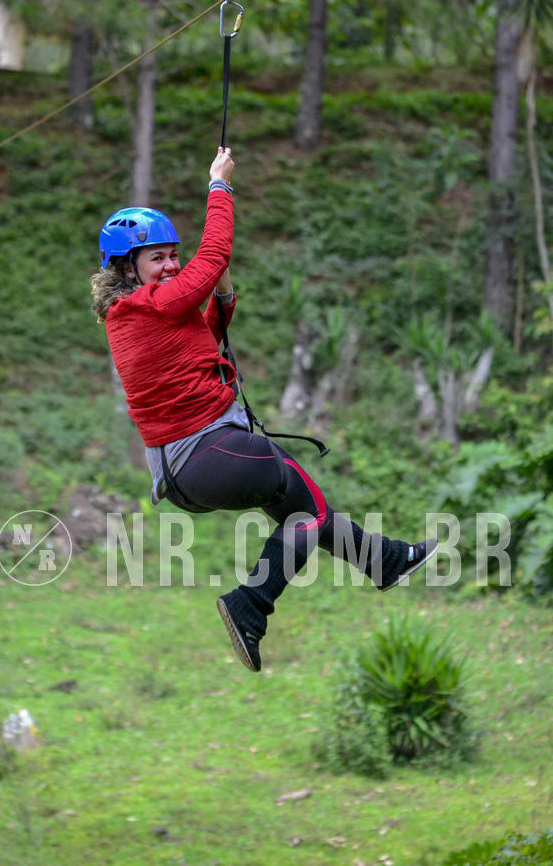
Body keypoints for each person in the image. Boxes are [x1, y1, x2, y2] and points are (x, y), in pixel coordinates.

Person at [91, 147, 438, 673]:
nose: (172, 264)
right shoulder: (145, 303)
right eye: (158, 257)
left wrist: (223, 300)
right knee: (311, 510)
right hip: (205, 454)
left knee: (300, 514)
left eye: (172, 254)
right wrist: (219, 185)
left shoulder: (148, 311)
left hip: (193, 467)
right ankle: (248, 604)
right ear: (127, 268)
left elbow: (204, 339)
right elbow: (211, 259)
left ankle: (383, 560)